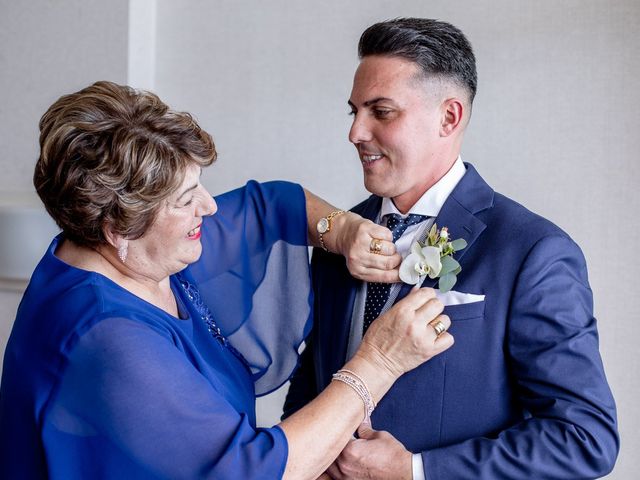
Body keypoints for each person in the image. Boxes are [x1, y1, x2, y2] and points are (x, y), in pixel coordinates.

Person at [0, 80, 454, 479]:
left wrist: (341, 229)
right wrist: (379, 362)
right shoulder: (107, 337)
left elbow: (273, 205)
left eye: (200, 184)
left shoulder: (145, 247)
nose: (209, 207)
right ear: (118, 227)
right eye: (185, 199)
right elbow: (253, 472)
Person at [284, 18, 619, 479]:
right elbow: (311, 384)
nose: (356, 133)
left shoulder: (533, 252)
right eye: (354, 111)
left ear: (449, 117)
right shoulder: (338, 237)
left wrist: (417, 470)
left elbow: (585, 438)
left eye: (380, 111)